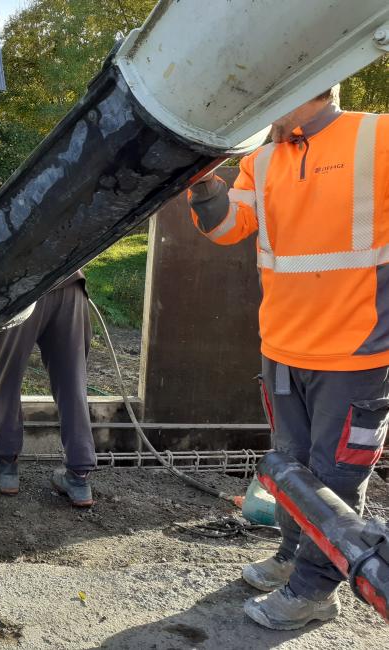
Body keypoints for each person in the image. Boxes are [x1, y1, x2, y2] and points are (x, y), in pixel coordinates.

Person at [187, 86, 389, 630]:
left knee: (336, 481)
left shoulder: (380, 136)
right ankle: (290, 559)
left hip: (357, 354)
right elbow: (229, 227)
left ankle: (313, 592)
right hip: (282, 347)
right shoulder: (264, 158)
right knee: (290, 469)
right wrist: (201, 182)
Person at [0, 207, 97, 507]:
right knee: (72, 385)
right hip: (69, 287)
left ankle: (6, 469)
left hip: (22, 294)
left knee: (7, 378)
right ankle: (79, 479)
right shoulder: (19, 210)